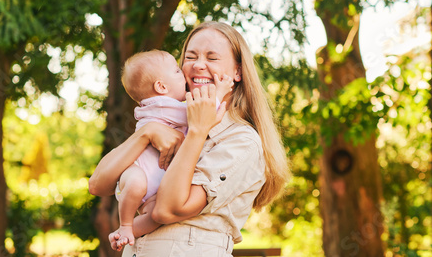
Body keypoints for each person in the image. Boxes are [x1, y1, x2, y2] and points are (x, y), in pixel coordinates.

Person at [89, 21, 291, 256]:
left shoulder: (241, 141)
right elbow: (97, 185)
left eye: (212, 58)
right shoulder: (165, 121)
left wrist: (197, 131)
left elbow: (167, 211)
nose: (198, 65)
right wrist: (146, 133)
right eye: (190, 57)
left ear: (237, 71)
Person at [110, 49, 234, 251]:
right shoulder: (162, 105)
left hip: (156, 185)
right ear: (161, 86)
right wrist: (220, 91)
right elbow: (202, 113)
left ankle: (125, 232)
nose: (183, 75)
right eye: (177, 71)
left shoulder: (164, 105)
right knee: (135, 183)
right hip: (140, 171)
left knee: (154, 217)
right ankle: (125, 223)